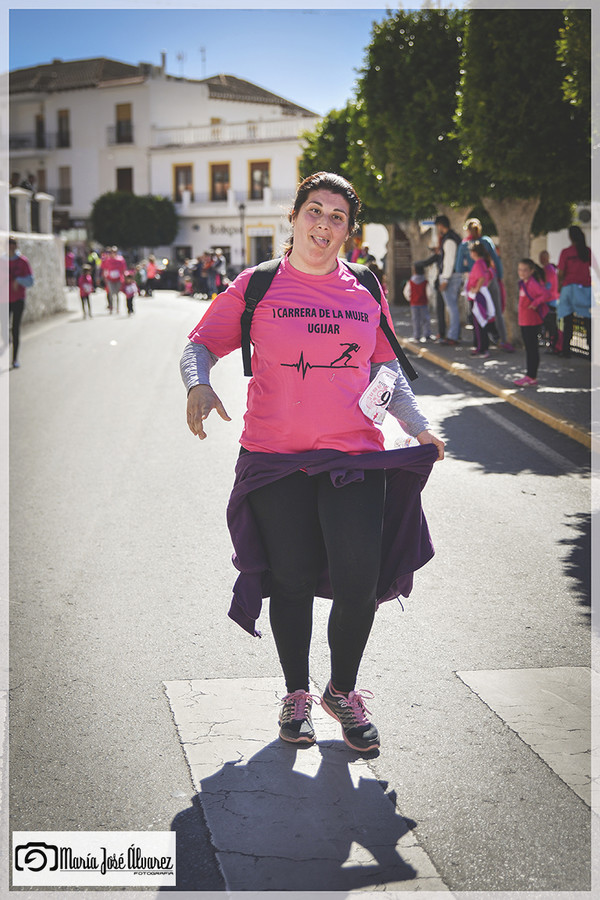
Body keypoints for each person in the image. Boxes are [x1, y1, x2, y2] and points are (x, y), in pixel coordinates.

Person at [180, 172, 444, 753]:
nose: (323, 224)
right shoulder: (257, 286)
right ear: (294, 216)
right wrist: (198, 384)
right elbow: (199, 343)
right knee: (292, 581)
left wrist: (417, 423)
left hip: (353, 457)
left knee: (359, 582)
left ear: (349, 230)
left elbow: (387, 369)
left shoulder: (365, 289)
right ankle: (296, 695)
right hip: (276, 459)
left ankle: (341, 692)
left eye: (337, 217)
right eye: (314, 211)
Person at [455, 218, 513, 351]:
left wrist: (470, 271)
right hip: (491, 279)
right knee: (497, 311)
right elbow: (496, 261)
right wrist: (499, 277)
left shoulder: (465, 246)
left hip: (476, 283)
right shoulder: (486, 241)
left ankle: (480, 344)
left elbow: (458, 267)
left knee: (478, 314)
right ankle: (503, 340)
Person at [556, 225, 591, 358]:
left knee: (568, 321)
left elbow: (561, 272)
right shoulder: (587, 251)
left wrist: (559, 286)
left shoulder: (566, 252)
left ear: (570, 237)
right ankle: (591, 350)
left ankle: (566, 350)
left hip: (569, 289)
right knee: (587, 321)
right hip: (585, 289)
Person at [513, 258, 550, 387]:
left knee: (532, 350)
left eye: (525, 270)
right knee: (529, 349)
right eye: (520, 270)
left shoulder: (532, 283)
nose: (522, 272)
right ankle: (529, 375)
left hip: (532, 321)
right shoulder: (524, 283)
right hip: (525, 321)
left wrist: (534, 304)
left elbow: (545, 295)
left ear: (531, 271)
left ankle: (531, 376)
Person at [434, 215, 462, 345]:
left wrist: (445, 279)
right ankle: (454, 334)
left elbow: (449, 261)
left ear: (441, 225)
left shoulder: (449, 240)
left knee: (452, 308)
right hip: (454, 275)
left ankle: (452, 336)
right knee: (453, 307)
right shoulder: (453, 237)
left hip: (450, 277)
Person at [466, 241, 496, 358]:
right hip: (480, 294)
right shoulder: (483, 263)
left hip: (477, 296)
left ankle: (482, 348)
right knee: (481, 322)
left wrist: (476, 289)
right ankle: (482, 348)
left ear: (473, 252)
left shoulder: (479, 264)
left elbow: (482, 278)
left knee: (479, 323)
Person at [8, 236, 34, 369]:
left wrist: (18, 280)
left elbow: (30, 281)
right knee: (4, 329)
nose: (11, 247)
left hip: (18, 299)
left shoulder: (23, 262)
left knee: (15, 328)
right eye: (9, 245)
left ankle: (14, 359)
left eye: (13, 245)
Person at [403, 262, 433, 342]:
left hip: (414, 303)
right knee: (425, 319)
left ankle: (417, 335)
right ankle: (427, 334)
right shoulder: (425, 282)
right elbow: (429, 293)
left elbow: (406, 292)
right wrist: (428, 299)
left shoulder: (410, 282)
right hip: (423, 303)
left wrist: (410, 299)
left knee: (416, 320)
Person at [539, 249, 560, 352]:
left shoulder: (547, 269)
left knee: (550, 325)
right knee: (550, 325)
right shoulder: (551, 268)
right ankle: (551, 345)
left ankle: (553, 345)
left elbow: (547, 285)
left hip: (549, 300)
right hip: (552, 299)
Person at [101, 246, 126, 313]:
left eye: (114, 252)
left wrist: (124, 278)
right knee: (111, 293)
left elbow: (123, 269)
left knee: (117, 294)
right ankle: (111, 307)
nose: (113, 253)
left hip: (118, 279)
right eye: (112, 252)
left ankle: (117, 308)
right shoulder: (107, 260)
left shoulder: (120, 259)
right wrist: (104, 277)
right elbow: (104, 269)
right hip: (110, 279)